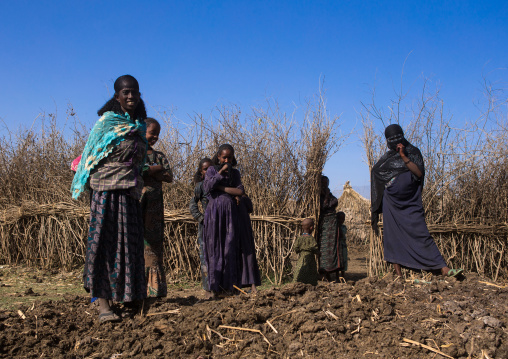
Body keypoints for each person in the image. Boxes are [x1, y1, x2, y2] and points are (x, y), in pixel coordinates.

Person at [71, 75, 148, 323]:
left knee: (129, 246)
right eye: (125, 92)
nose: (130, 96)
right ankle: (104, 305)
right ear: (117, 96)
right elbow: (90, 158)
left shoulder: (138, 127)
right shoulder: (106, 124)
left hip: (129, 193)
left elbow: (139, 162)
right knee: (105, 245)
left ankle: (128, 299)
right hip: (106, 193)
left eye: (134, 92)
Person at [371, 124, 462, 277]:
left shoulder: (412, 152)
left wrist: (403, 156)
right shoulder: (386, 158)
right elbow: (376, 172)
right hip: (391, 202)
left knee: (421, 232)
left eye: (397, 137)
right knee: (392, 236)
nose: (395, 141)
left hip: (410, 201)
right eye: (391, 139)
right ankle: (398, 274)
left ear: (403, 136)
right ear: (387, 141)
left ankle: (442, 267)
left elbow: (418, 173)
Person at [202, 144, 244, 296]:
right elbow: (206, 187)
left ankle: (229, 286)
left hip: (230, 213)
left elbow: (240, 190)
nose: (226, 160)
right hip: (214, 213)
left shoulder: (236, 173)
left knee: (229, 247)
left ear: (233, 158)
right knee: (214, 248)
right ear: (218, 157)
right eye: (224, 157)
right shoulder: (212, 170)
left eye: (229, 157)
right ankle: (214, 287)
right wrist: (220, 173)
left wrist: (220, 188)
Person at [140, 118, 173, 298]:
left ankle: (154, 290)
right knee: (137, 242)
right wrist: (156, 170)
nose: (155, 137)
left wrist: (152, 169)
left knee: (154, 243)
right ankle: (138, 288)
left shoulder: (159, 155)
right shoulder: (135, 152)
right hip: (138, 202)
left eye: (157, 134)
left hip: (155, 205)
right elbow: (136, 170)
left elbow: (169, 176)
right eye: (152, 133)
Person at [189, 157, 213, 299]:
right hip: (205, 227)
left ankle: (220, 286)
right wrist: (201, 218)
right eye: (205, 169)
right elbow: (193, 205)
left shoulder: (219, 184)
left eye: (211, 168)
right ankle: (208, 289)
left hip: (220, 227)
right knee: (205, 257)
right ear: (201, 171)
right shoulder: (200, 186)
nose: (209, 171)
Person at [317, 175, 344, 282]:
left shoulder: (329, 194)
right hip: (324, 224)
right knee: (324, 249)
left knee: (335, 248)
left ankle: (337, 275)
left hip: (333, 225)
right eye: (323, 183)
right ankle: (325, 274)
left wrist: (328, 197)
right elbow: (323, 206)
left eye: (326, 183)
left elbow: (335, 202)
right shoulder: (318, 196)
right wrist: (327, 196)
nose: (325, 185)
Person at [236, 193, 261, 293]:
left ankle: (250, 285)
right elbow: (250, 208)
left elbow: (250, 208)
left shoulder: (234, 197)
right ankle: (252, 285)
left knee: (244, 255)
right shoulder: (242, 197)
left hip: (238, 229)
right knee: (248, 255)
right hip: (244, 229)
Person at [293, 218, 319, 285]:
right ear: (311, 227)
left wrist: (300, 251)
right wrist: (318, 253)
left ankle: (298, 284)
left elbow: (295, 248)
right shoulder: (311, 239)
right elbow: (315, 248)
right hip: (310, 259)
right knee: (311, 273)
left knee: (300, 270)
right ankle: (311, 285)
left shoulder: (299, 238)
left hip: (302, 258)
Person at [337, 212, 348, 278]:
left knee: (344, 259)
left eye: (343, 219)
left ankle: (343, 275)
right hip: (337, 246)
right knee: (338, 260)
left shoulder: (343, 227)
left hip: (343, 246)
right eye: (340, 219)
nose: (342, 220)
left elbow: (343, 233)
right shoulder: (335, 227)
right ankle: (337, 275)